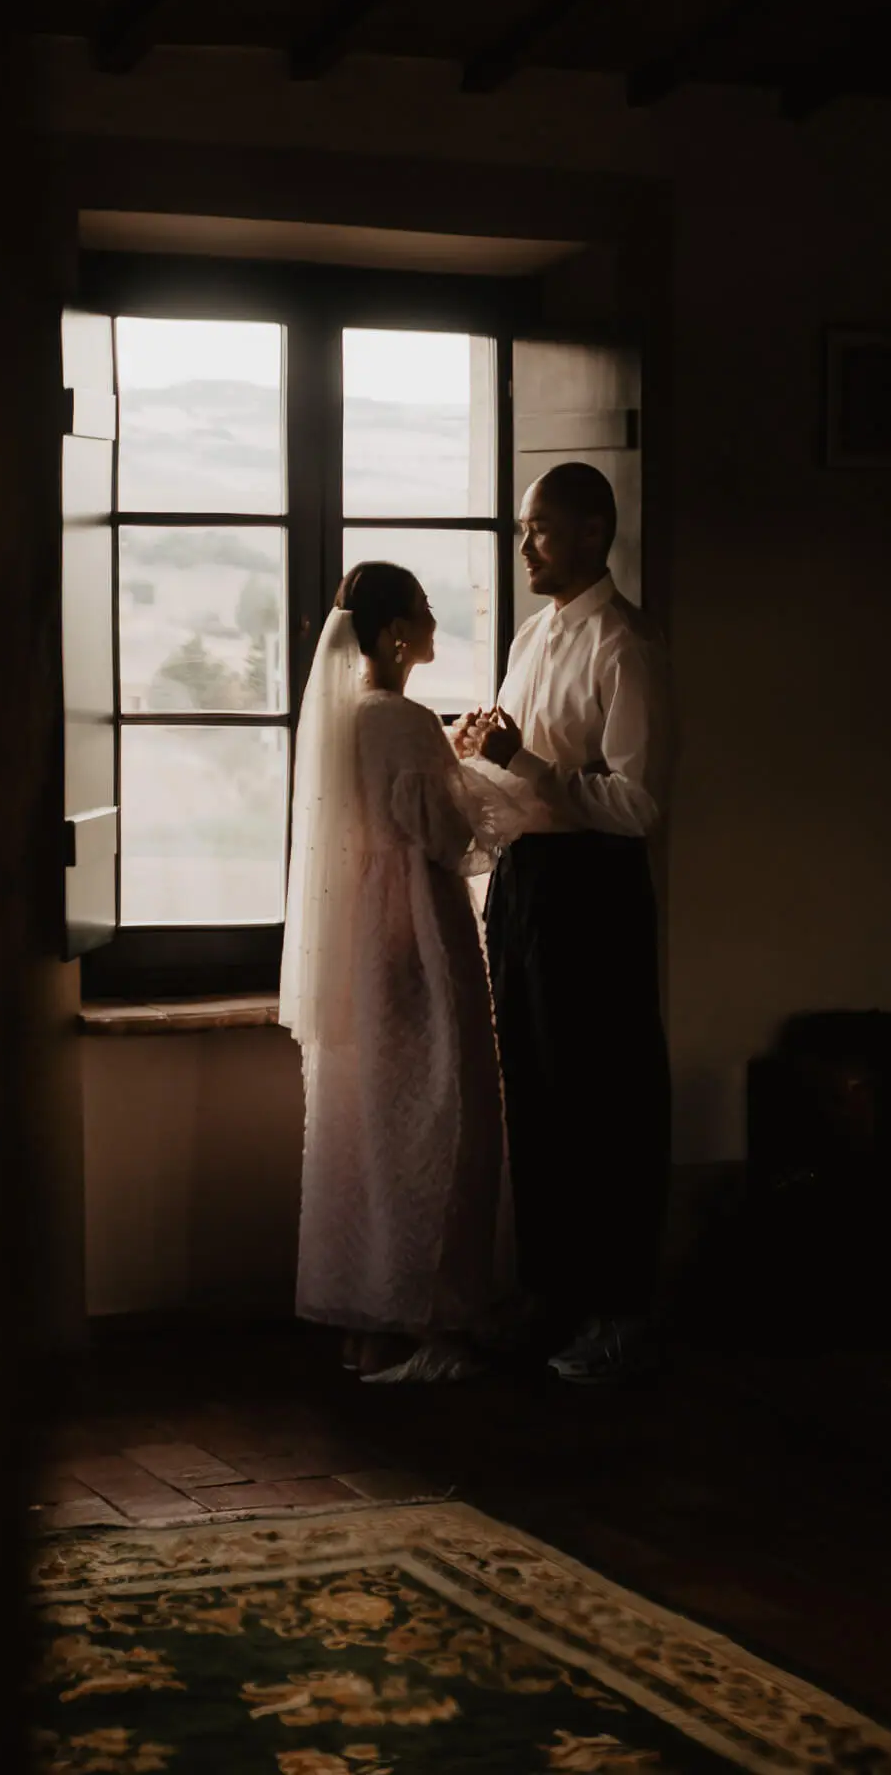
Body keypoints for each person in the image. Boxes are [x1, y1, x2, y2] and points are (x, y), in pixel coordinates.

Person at [454, 462, 673, 1385]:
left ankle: (618, 1312)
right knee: (534, 1092)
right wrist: (477, 760)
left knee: (604, 1096)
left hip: (594, 891)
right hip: (526, 880)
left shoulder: (625, 648)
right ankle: (550, 1293)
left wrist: (530, 766)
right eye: (520, 528)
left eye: (539, 529)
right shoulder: (532, 635)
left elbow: (639, 804)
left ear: (591, 532)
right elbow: (519, 772)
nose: (523, 545)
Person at [280, 561, 520, 1384]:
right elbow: (450, 835)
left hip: (363, 925)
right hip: (418, 924)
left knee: (377, 1124)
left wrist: (445, 758)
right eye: (422, 608)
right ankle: (435, 1315)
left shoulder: (349, 718)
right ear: (392, 634)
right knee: (446, 1112)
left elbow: (392, 801)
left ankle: (370, 1320)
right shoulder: (403, 717)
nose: (433, 620)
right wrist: (489, 765)